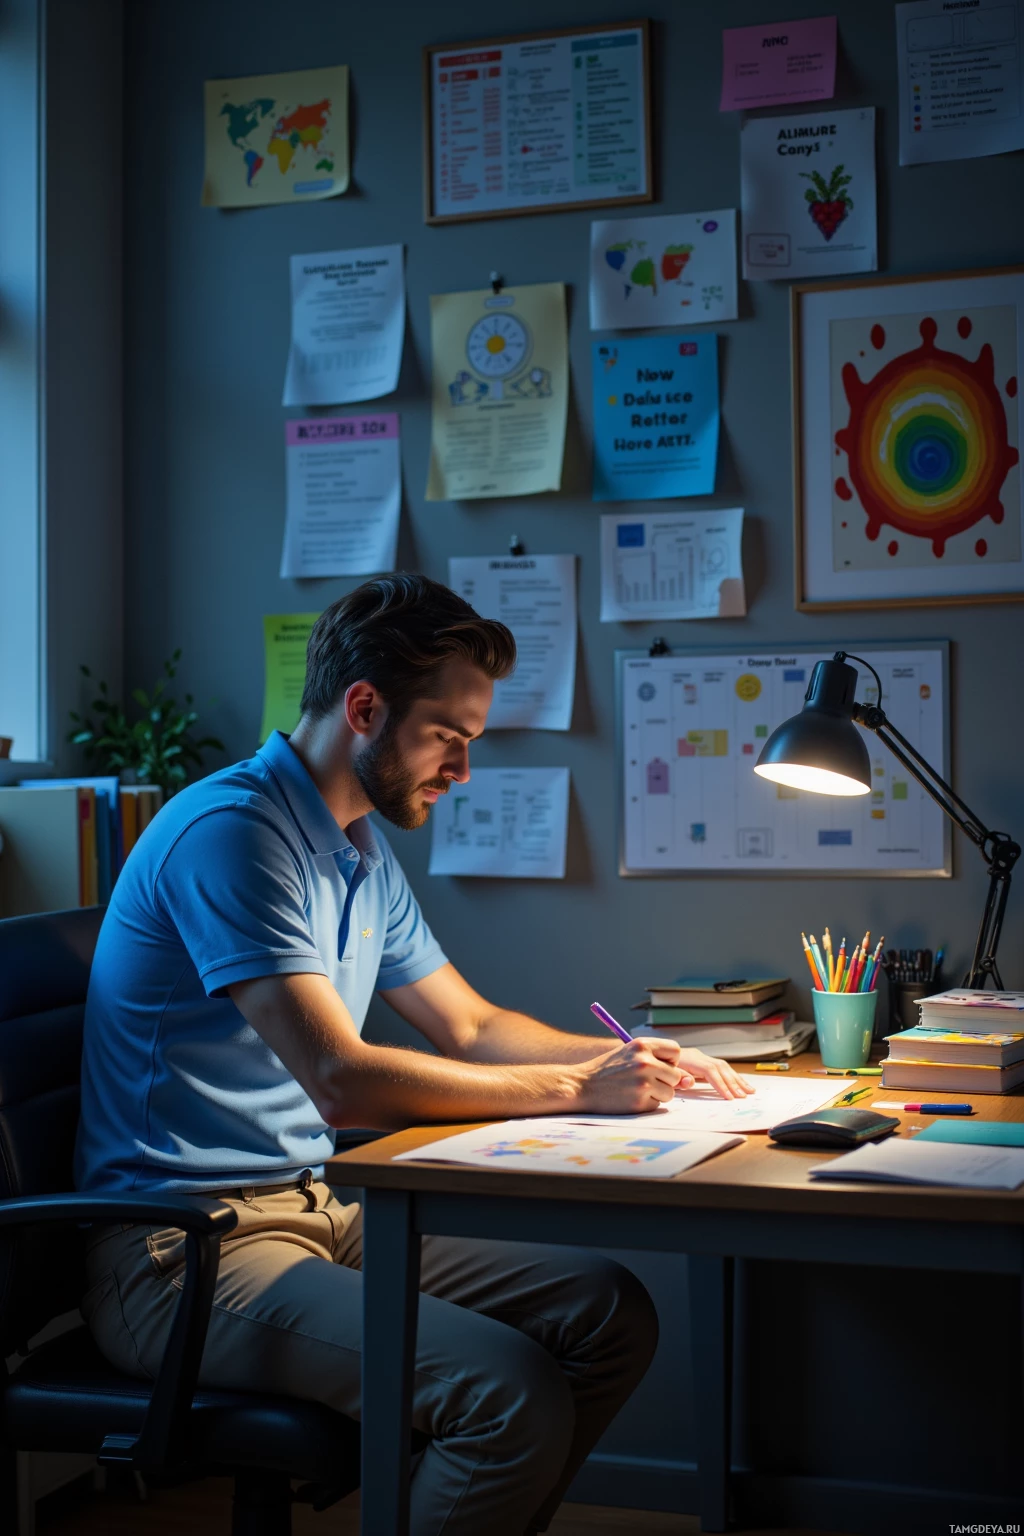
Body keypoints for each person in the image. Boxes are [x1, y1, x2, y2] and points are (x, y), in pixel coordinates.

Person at [75, 574, 751, 1536]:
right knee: (507, 1391)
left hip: (313, 1208)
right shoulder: (233, 835)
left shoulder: (355, 845)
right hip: (179, 1253)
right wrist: (574, 1086)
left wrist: (632, 1057)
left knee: (607, 1315)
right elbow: (341, 1080)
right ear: (364, 708)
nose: (463, 771)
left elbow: (469, 1027)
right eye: (449, 737)